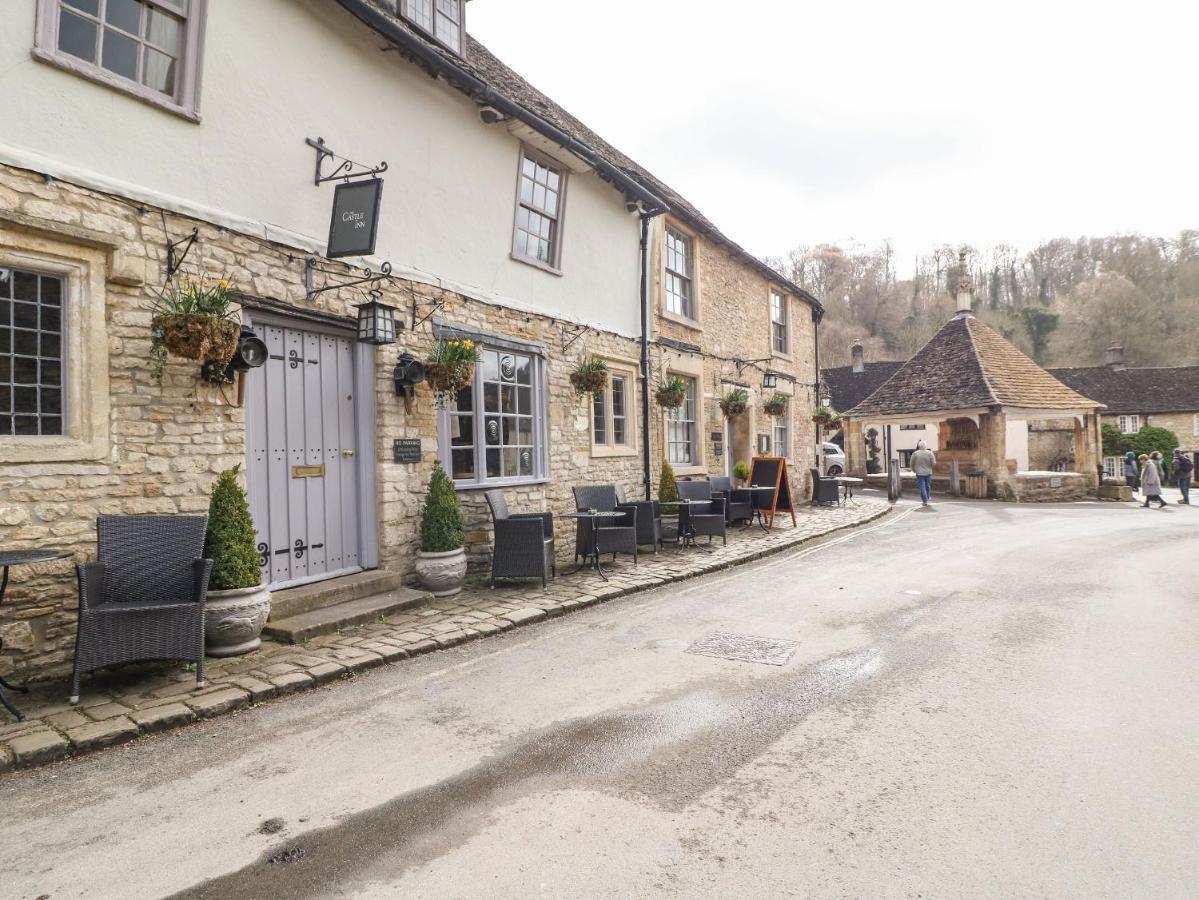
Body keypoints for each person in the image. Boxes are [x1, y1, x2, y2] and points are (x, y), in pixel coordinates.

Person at [910, 440, 936, 507]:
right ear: (925, 446)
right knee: (927, 486)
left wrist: (913, 469)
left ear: (919, 446)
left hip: (919, 473)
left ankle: (925, 500)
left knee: (922, 487)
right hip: (928, 472)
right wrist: (931, 467)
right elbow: (933, 463)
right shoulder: (930, 453)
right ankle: (927, 497)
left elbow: (911, 463)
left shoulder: (915, 453)